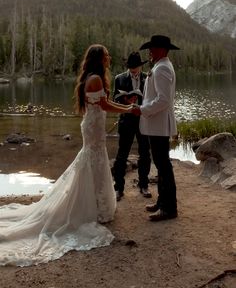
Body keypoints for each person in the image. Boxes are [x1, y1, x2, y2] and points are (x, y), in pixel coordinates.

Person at [0, 44, 133, 267]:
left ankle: (96, 204)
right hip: (93, 125)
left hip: (92, 124)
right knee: (93, 159)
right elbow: (105, 105)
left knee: (93, 160)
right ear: (99, 58)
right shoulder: (96, 79)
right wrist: (128, 109)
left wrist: (121, 106)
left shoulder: (91, 77)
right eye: (106, 55)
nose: (109, 58)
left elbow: (102, 104)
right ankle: (92, 207)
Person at [132, 35, 180, 221]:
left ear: (161, 50)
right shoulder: (161, 66)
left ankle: (169, 208)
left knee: (164, 166)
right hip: (157, 125)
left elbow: (163, 100)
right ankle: (162, 202)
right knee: (161, 165)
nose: (149, 52)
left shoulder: (162, 69)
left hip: (159, 126)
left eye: (152, 49)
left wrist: (142, 109)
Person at [112, 51, 152, 201]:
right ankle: (119, 188)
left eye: (135, 67)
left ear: (140, 67)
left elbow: (152, 99)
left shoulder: (148, 78)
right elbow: (114, 99)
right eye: (130, 67)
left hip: (143, 120)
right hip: (126, 120)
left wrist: (142, 104)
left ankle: (144, 185)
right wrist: (126, 100)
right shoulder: (119, 78)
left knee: (145, 154)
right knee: (122, 155)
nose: (133, 69)